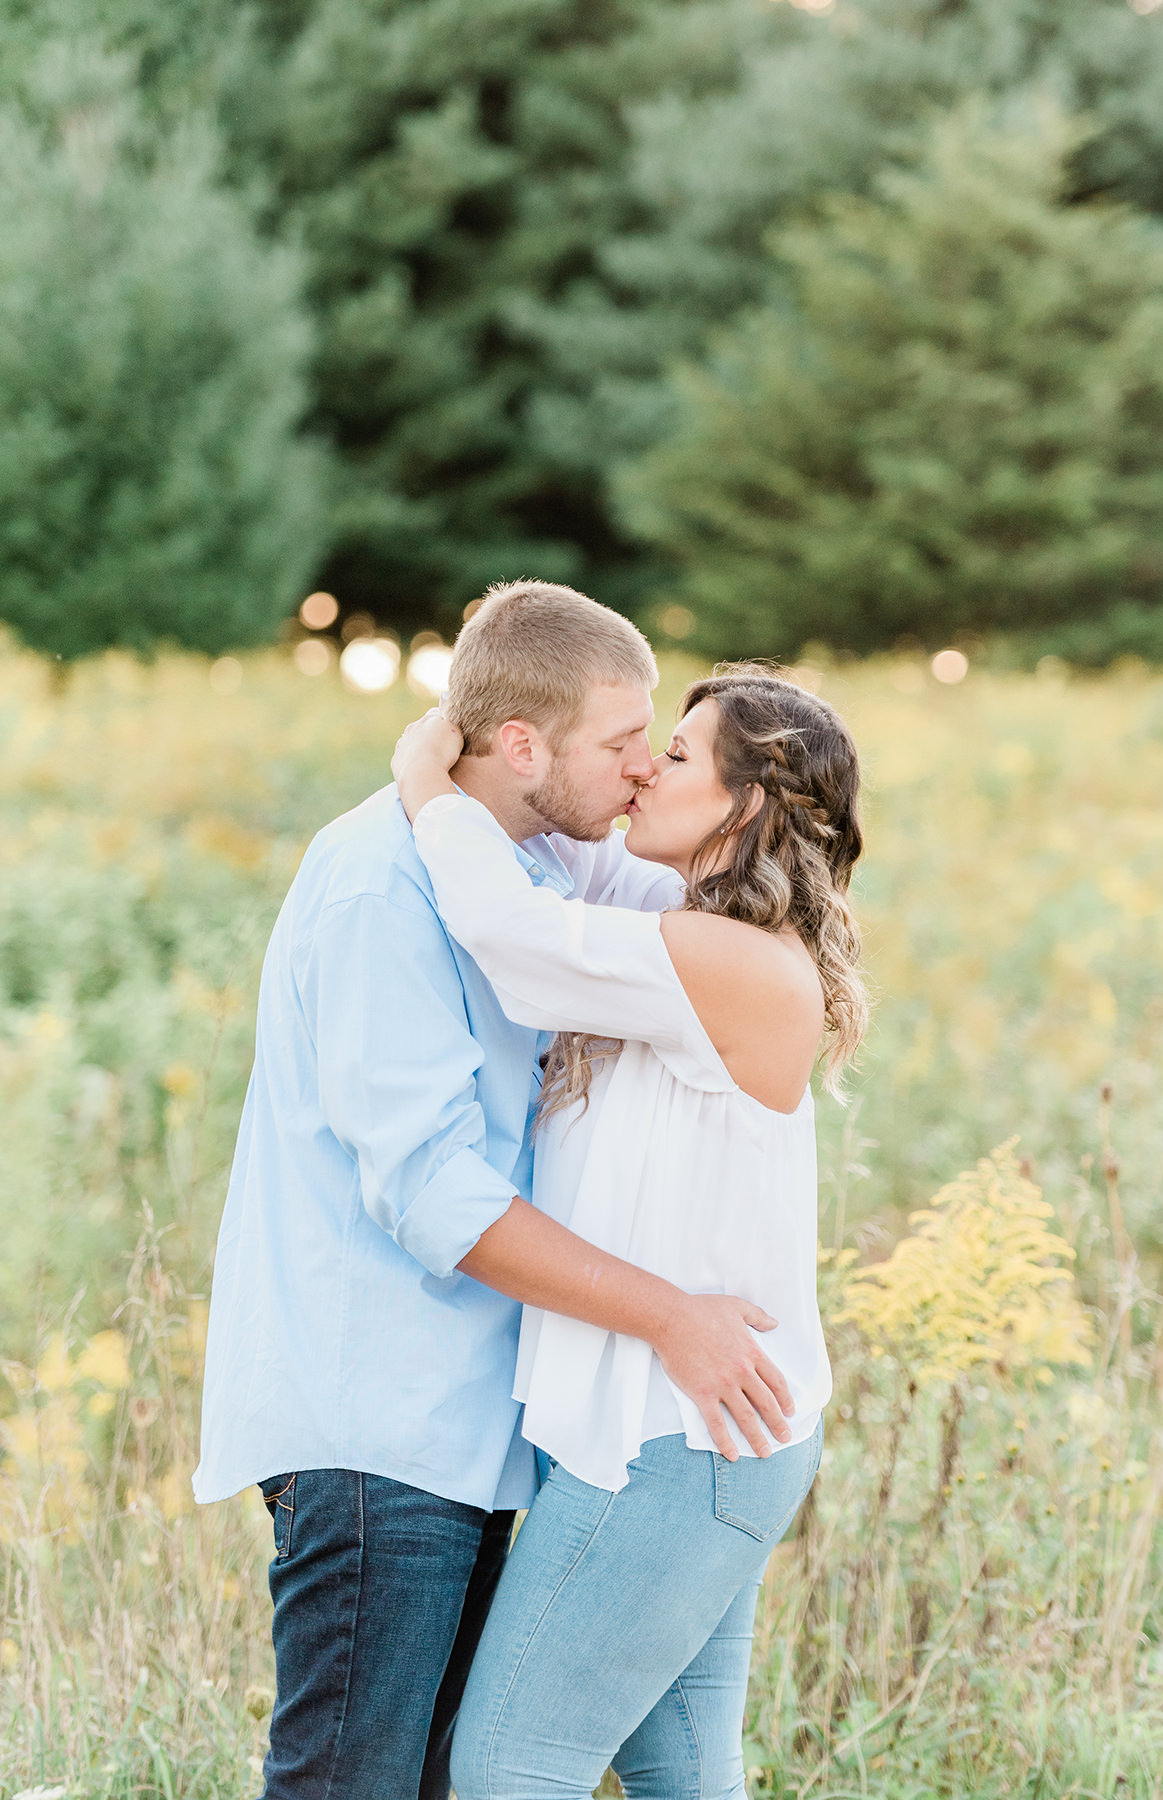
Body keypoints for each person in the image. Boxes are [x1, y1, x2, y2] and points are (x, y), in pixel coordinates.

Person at [192, 582, 795, 1800]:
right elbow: (432, 1195)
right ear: (521, 745)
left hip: (481, 1430)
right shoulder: (377, 882)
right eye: (623, 742)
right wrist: (670, 1315)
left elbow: (687, 909)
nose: (639, 771)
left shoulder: (550, 862)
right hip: (379, 1423)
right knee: (350, 1784)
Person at [391, 664, 868, 1800]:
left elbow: (513, 937)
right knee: (680, 1773)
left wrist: (428, 788)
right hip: (687, 1431)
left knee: (509, 1765)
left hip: (680, 1439)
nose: (649, 767)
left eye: (681, 755)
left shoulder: (739, 965)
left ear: (744, 804)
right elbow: (563, 890)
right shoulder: (678, 927)